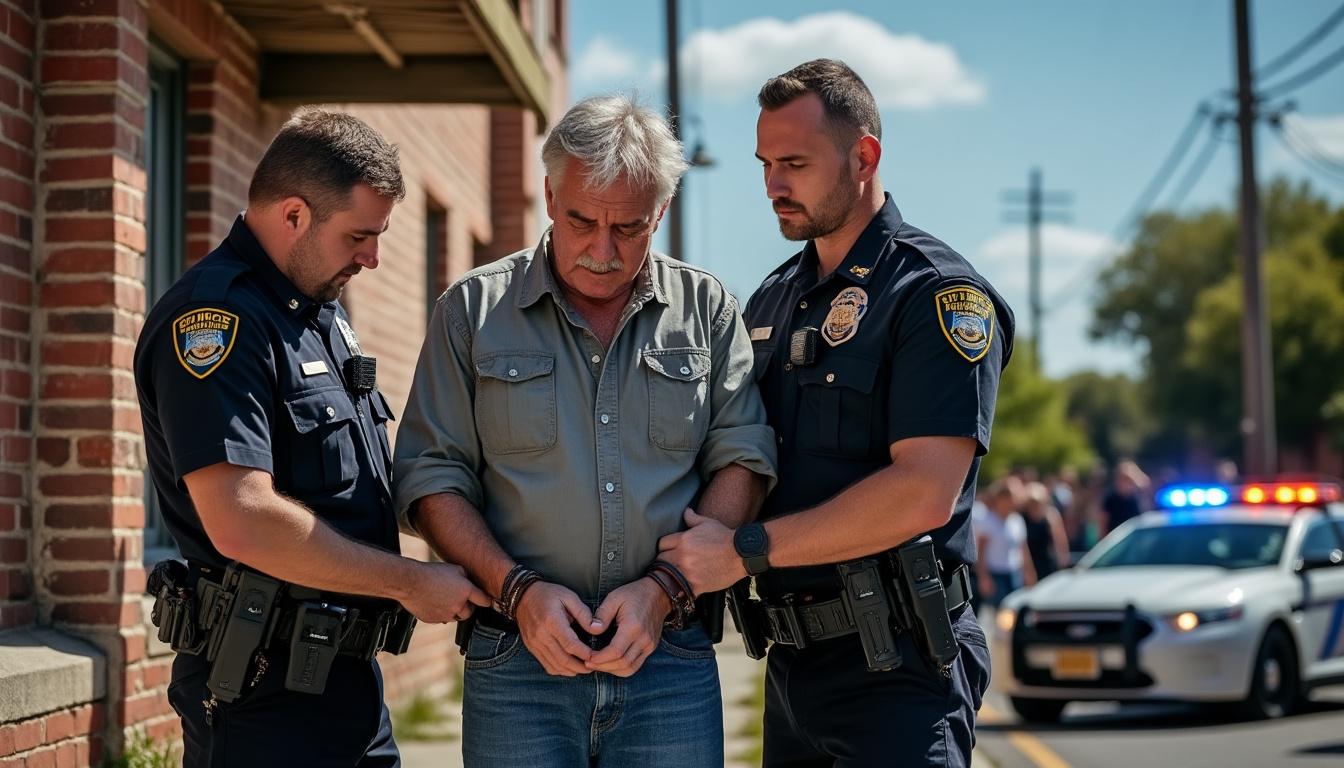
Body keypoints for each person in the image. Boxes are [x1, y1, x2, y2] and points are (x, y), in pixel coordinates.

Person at [392, 94, 777, 768]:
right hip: (516, 661)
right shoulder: (472, 310)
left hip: (671, 659)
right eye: (580, 221)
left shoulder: (709, 310)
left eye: (629, 228)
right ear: (547, 194)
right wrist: (519, 593)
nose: (602, 251)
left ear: (660, 212)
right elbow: (430, 477)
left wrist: (663, 592)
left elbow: (742, 460)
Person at [658, 59, 1014, 767]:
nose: (773, 185)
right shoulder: (770, 300)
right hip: (793, 670)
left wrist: (742, 552)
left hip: (901, 671)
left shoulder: (934, 293)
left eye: (794, 162)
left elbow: (923, 493)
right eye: (764, 164)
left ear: (865, 156)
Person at [135, 109, 490, 767]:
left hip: (346, 688)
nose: (373, 258)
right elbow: (242, 520)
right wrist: (409, 583)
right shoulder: (219, 319)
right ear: (294, 215)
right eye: (359, 235)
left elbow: (361, 488)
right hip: (263, 696)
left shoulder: (317, 316)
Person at [972, 477, 1032, 611]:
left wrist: (1029, 573)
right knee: (999, 613)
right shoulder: (987, 520)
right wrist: (984, 577)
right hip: (995, 575)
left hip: (1014, 573)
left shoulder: (1017, 520)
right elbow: (981, 553)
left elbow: (1023, 549)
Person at [1022, 481, 1071, 579]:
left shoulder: (1051, 515)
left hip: (1048, 561)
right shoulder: (1022, 518)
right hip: (1030, 562)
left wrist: (1063, 559)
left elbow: (1060, 539)